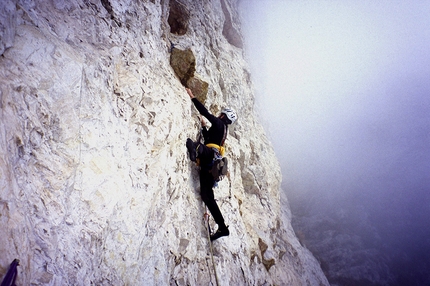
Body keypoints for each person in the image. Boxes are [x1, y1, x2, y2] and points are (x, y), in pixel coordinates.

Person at [185, 88, 237, 241]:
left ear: (223, 116)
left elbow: (206, 112)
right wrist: (202, 127)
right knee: (207, 197)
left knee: (191, 144)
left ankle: (195, 155)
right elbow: (209, 139)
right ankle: (222, 227)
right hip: (209, 166)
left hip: (208, 157)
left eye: (221, 114)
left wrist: (192, 96)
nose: (219, 115)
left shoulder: (220, 124)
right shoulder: (222, 130)